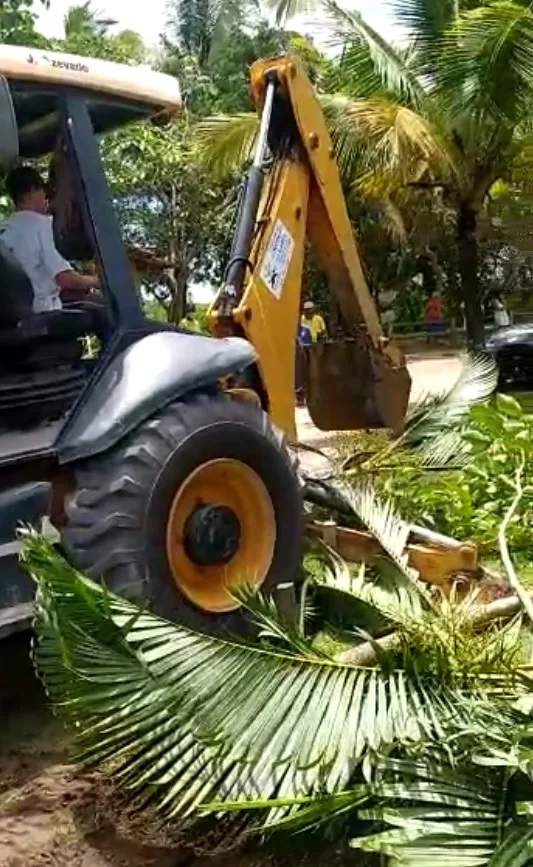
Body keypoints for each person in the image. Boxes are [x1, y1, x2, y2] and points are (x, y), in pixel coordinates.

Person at [0, 165, 112, 344]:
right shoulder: (42, 225)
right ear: (32, 191)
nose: (46, 198)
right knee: (107, 311)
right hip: (40, 315)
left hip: (9, 325)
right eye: (43, 191)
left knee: (88, 302)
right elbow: (65, 279)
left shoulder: (4, 230)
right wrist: (101, 280)